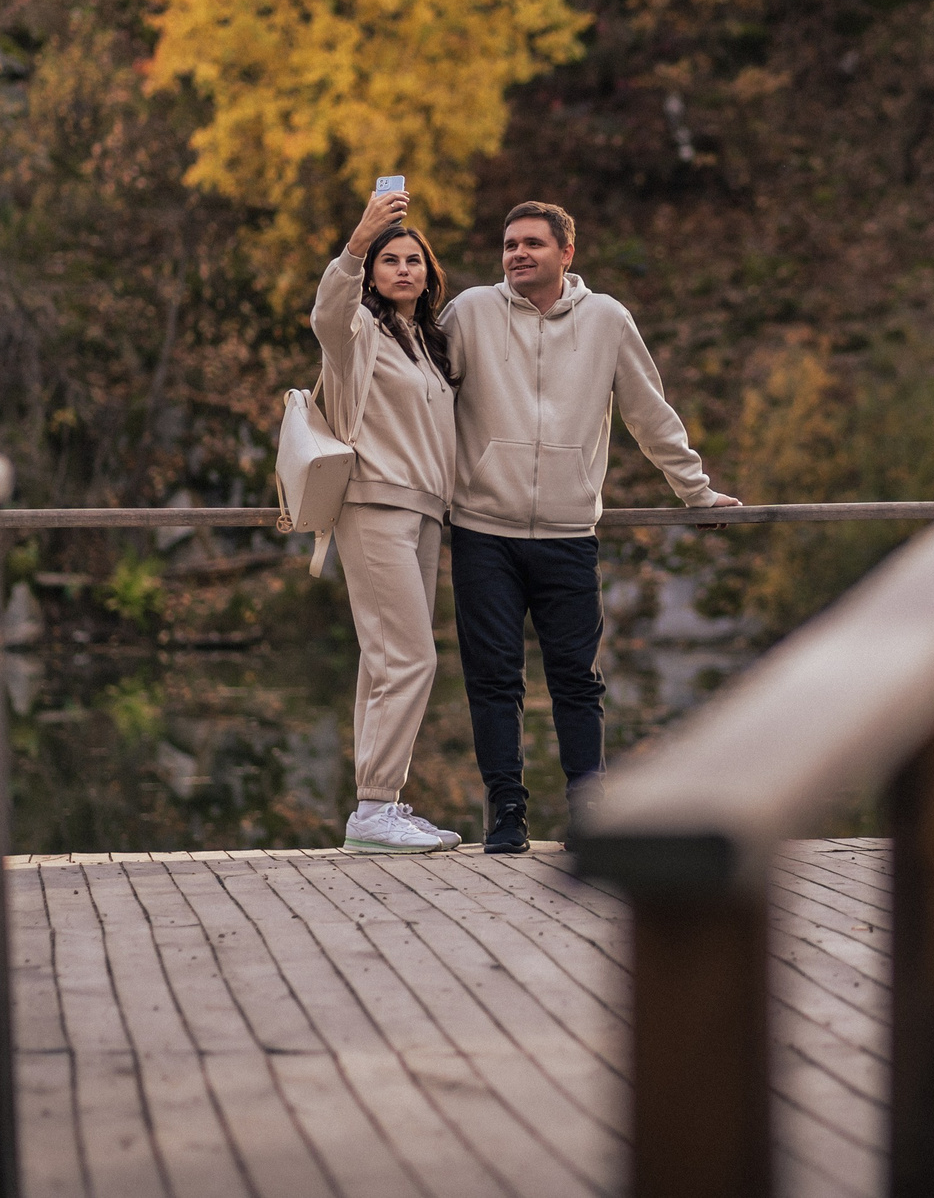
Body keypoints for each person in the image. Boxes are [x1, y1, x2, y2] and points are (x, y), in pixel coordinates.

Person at [441, 200, 739, 853]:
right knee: (494, 679)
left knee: (578, 679)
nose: (517, 254)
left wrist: (696, 492)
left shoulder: (607, 320)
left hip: (569, 532)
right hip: (482, 530)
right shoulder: (468, 314)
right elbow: (424, 400)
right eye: (509, 244)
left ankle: (588, 814)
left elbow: (649, 413)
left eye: (532, 244)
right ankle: (508, 815)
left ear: (565, 253)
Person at [313, 185, 464, 854]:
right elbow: (326, 314)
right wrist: (356, 241)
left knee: (384, 663)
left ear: (429, 273)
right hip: (374, 504)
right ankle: (374, 808)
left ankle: (382, 801)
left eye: (414, 259)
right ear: (372, 274)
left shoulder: (425, 342)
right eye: (389, 259)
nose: (404, 268)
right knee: (410, 657)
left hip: (425, 512)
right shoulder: (360, 334)